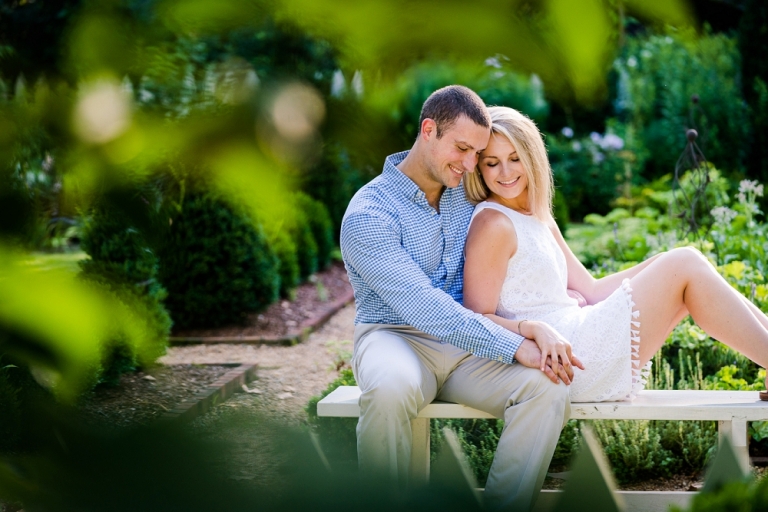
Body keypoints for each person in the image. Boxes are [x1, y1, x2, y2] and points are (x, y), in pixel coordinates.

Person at [340, 86, 574, 511]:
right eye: (462, 149)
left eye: (475, 154)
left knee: (545, 384)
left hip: (467, 346)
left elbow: (524, 231)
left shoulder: (465, 193)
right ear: (429, 130)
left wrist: (549, 310)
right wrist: (516, 342)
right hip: (396, 337)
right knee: (390, 389)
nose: (470, 165)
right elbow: (425, 306)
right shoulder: (368, 215)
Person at [462, 105, 768, 403]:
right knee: (685, 263)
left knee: (685, 260)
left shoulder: (536, 216)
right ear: (479, 166)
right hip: (564, 357)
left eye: (515, 158)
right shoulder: (493, 223)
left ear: (532, 159)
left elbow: (591, 289)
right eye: (492, 163)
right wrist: (532, 329)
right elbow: (476, 320)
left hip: (579, 332)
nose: (505, 172)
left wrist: (662, 263)